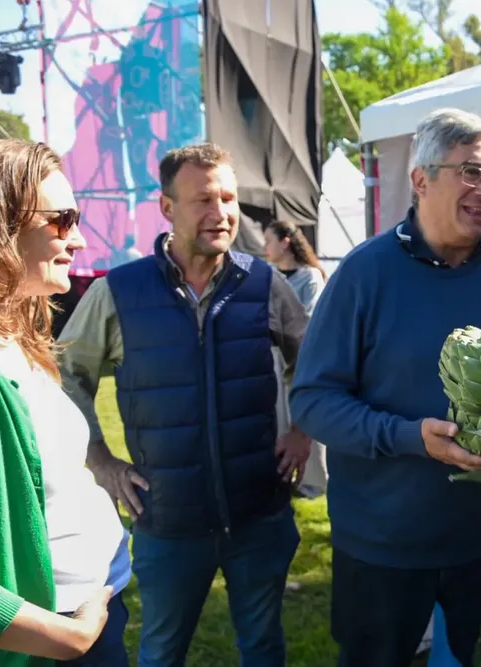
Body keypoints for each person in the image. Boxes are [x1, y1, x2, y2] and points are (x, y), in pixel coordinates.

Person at [290, 108, 481, 666]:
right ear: (421, 179)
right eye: (472, 173)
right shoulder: (363, 275)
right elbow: (311, 401)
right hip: (383, 541)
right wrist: (408, 436)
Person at [57, 143, 311, 667]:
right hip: (167, 521)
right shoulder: (120, 291)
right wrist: (100, 461)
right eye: (203, 200)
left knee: (264, 648)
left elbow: (313, 361)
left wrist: (302, 428)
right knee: (161, 652)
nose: (221, 213)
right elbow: (66, 375)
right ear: (168, 208)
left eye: (228, 198)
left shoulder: (265, 284)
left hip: (259, 515)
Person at [0, 139, 131, 666]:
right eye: (62, 220)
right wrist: (63, 639)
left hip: (91, 614)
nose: (80, 239)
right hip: (44, 643)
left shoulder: (8, 331)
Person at [264, 220, 329, 497]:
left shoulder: (310, 277)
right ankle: (281, 474)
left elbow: (308, 319)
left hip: (301, 358)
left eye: (269, 241)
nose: (265, 248)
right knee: (277, 420)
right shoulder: (269, 276)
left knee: (303, 417)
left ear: (285, 242)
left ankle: (312, 481)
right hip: (272, 359)